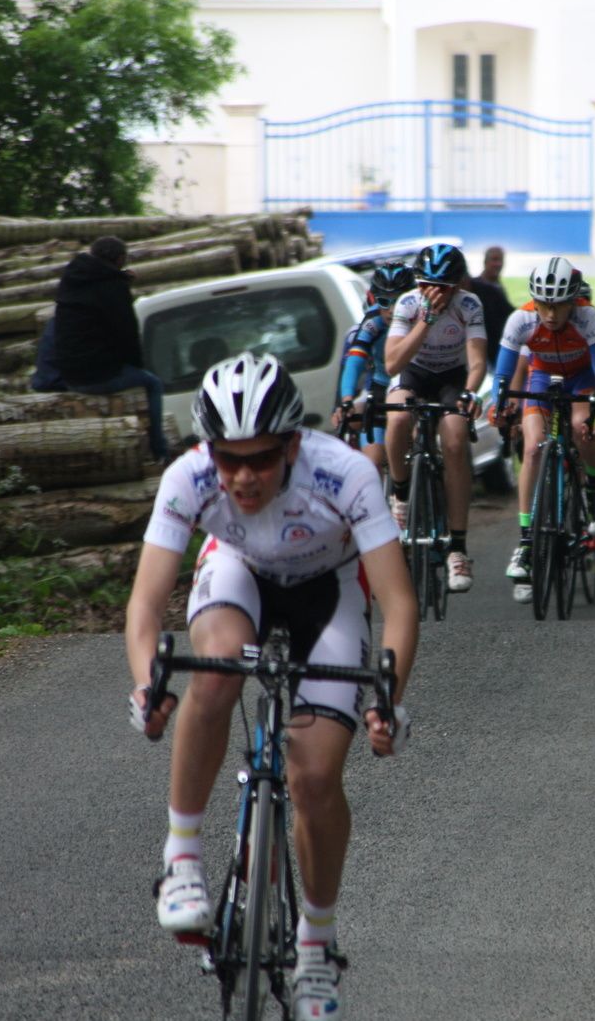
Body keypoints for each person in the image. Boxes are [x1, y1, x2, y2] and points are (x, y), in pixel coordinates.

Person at [125, 352, 416, 1020]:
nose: (244, 476)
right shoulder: (188, 476)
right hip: (240, 573)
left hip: (328, 590)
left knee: (314, 778)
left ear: (292, 443)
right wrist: (149, 684)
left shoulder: (345, 474)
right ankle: (184, 856)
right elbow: (144, 607)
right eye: (229, 459)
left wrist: (388, 696)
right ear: (209, 450)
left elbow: (399, 601)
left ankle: (315, 942)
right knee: (219, 665)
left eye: (260, 458)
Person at [493, 256, 595, 601]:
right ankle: (527, 541)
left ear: (574, 301)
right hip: (541, 378)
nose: (551, 314)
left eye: (559, 305)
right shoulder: (521, 319)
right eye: (544, 304)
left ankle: (592, 486)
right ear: (534, 300)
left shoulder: (588, 319)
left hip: (582, 379)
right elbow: (503, 373)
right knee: (532, 448)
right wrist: (502, 405)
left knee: (580, 424)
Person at [383, 243, 488, 592]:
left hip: (451, 377)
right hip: (413, 372)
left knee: (456, 438)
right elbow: (393, 364)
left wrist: (470, 393)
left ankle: (458, 548)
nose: (435, 292)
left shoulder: (469, 306)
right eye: (428, 283)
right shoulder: (408, 304)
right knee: (397, 419)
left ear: (457, 285)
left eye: (444, 286)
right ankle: (400, 494)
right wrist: (425, 322)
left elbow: (476, 362)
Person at [52, 235, 169, 461]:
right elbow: (127, 334)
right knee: (151, 383)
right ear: (120, 258)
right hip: (97, 375)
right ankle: (160, 451)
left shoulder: (71, 279)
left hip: (67, 374)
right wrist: (136, 366)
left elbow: (96, 292)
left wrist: (120, 278)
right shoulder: (114, 287)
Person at [336, 261, 413, 473]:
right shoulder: (372, 322)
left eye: (399, 301)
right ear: (373, 300)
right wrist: (345, 400)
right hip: (380, 387)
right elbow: (354, 362)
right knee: (373, 462)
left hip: (416, 385)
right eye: (383, 302)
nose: (391, 310)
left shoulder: (422, 318)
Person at [468, 245, 515, 364]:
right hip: (484, 353)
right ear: (485, 262)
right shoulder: (477, 287)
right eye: (494, 259)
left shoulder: (497, 286)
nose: (498, 264)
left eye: (500, 260)